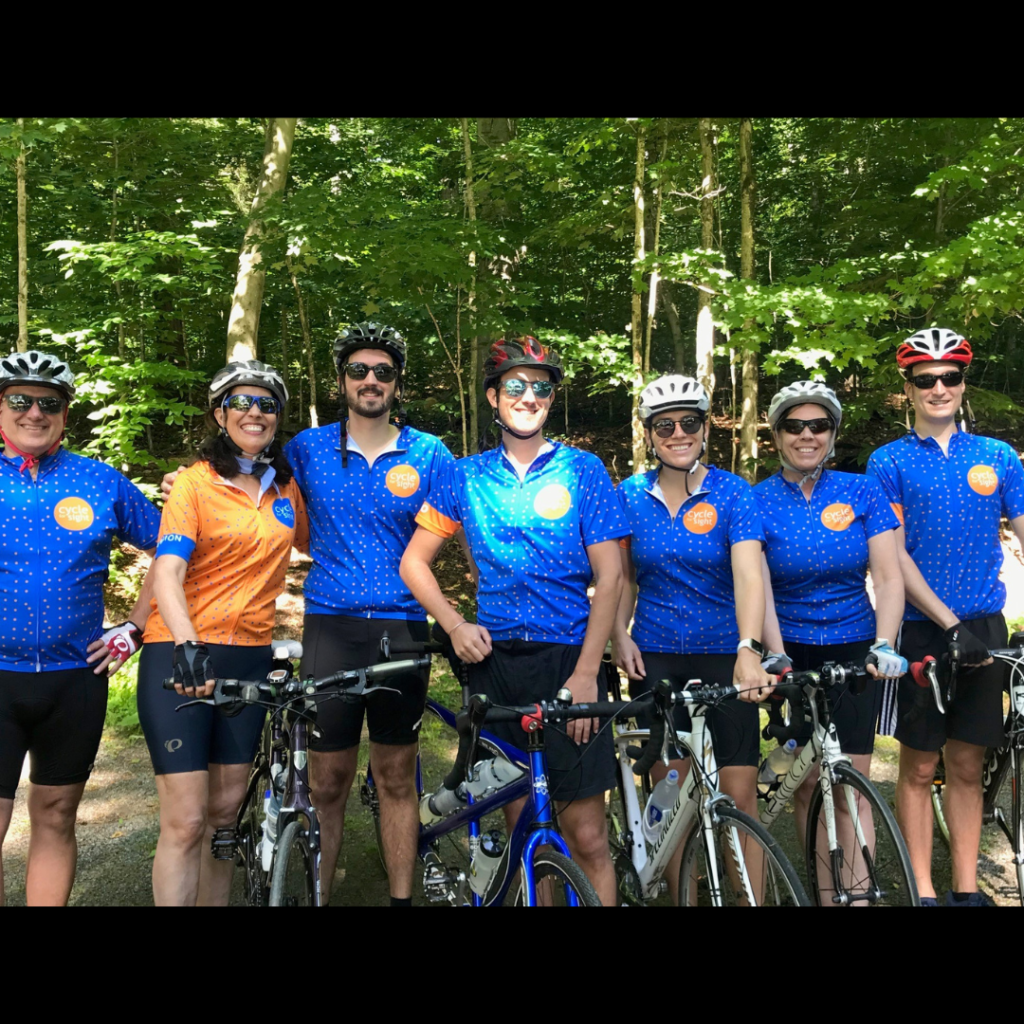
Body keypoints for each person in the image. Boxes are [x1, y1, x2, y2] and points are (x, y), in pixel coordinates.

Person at [401, 336, 627, 905]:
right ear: (493, 397)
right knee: (522, 824)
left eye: (541, 388)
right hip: (496, 665)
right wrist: (453, 624)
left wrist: (583, 674)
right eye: (516, 387)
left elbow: (612, 577)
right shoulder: (464, 475)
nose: (529, 397)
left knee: (588, 835)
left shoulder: (584, 469)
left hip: (568, 660)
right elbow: (414, 563)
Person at [284, 322, 456, 907]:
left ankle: (400, 899)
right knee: (326, 783)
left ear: (397, 385)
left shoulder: (431, 453)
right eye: (359, 370)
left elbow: (467, 530)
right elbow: (249, 483)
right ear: (341, 381)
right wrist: (195, 477)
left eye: (383, 372)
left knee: (395, 776)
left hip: (403, 628)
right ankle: (318, 895)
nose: (370, 380)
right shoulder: (306, 449)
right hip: (330, 625)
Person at [139, 361, 308, 906]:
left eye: (266, 405)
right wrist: (188, 643)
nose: (255, 413)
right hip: (181, 654)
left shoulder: (286, 487)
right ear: (220, 413)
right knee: (186, 818)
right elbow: (167, 569)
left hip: (250, 656)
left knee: (222, 820)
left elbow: (325, 544)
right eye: (242, 403)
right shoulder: (193, 482)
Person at [867, 328, 1024, 907]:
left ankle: (964, 887)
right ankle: (923, 890)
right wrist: (946, 621)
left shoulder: (998, 456)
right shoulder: (888, 462)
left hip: (984, 626)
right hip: (923, 630)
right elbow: (894, 554)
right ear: (907, 388)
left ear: (963, 382)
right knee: (918, 763)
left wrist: (970, 626)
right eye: (925, 379)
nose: (939, 388)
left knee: (966, 762)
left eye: (950, 377)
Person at [0, 349, 160, 906]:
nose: (34, 413)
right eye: (20, 400)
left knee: (56, 814)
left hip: (76, 678)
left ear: (65, 414)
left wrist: (136, 626)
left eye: (49, 403)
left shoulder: (100, 481)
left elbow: (173, 551)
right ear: (1, 407)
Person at [611, 374, 772, 902]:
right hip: (657, 657)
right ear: (649, 433)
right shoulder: (629, 496)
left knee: (740, 794)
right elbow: (623, 578)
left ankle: (747, 896)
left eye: (689, 423)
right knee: (672, 795)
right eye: (665, 425)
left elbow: (750, 575)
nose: (677, 433)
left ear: (705, 428)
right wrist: (619, 635)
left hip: (726, 654)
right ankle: (685, 893)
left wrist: (750, 650)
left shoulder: (733, 492)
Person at [756, 380, 906, 880]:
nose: (807, 435)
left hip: (855, 647)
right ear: (776, 435)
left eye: (818, 425)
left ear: (833, 433)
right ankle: (824, 889)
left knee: (851, 783)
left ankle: (858, 892)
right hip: (791, 649)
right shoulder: (756, 500)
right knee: (805, 783)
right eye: (794, 426)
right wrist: (774, 653)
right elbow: (757, 589)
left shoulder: (861, 490)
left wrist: (883, 643)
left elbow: (887, 576)